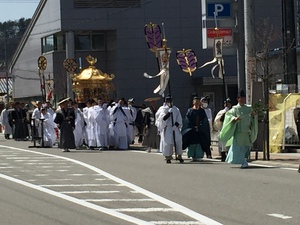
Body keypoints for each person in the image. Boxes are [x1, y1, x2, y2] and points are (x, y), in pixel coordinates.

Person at [220, 90, 258, 168]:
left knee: (246, 147)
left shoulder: (248, 108)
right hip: (238, 132)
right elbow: (228, 116)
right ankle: (242, 161)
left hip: (246, 131)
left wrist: (253, 116)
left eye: (243, 98)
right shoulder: (235, 109)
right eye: (241, 98)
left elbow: (252, 117)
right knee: (238, 147)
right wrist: (234, 118)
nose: (242, 100)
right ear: (238, 99)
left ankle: (244, 159)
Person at [155, 95, 184, 163]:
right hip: (168, 127)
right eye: (167, 101)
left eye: (170, 101)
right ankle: (168, 156)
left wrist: (176, 125)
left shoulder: (176, 109)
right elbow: (163, 119)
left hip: (175, 127)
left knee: (178, 141)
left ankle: (179, 155)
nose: (169, 103)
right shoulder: (163, 109)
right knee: (168, 142)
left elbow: (179, 119)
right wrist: (168, 113)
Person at [182, 96, 211, 161]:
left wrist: (199, 127)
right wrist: (192, 127)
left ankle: (199, 155)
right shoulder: (190, 111)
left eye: (198, 101)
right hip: (191, 130)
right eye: (195, 101)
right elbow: (187, 121)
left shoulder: (202, 111)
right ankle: (191, 154)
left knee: (200, 142)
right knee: (191, 142)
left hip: (200, 131)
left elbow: (204, 120)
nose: (197, 103)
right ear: (193, 102)